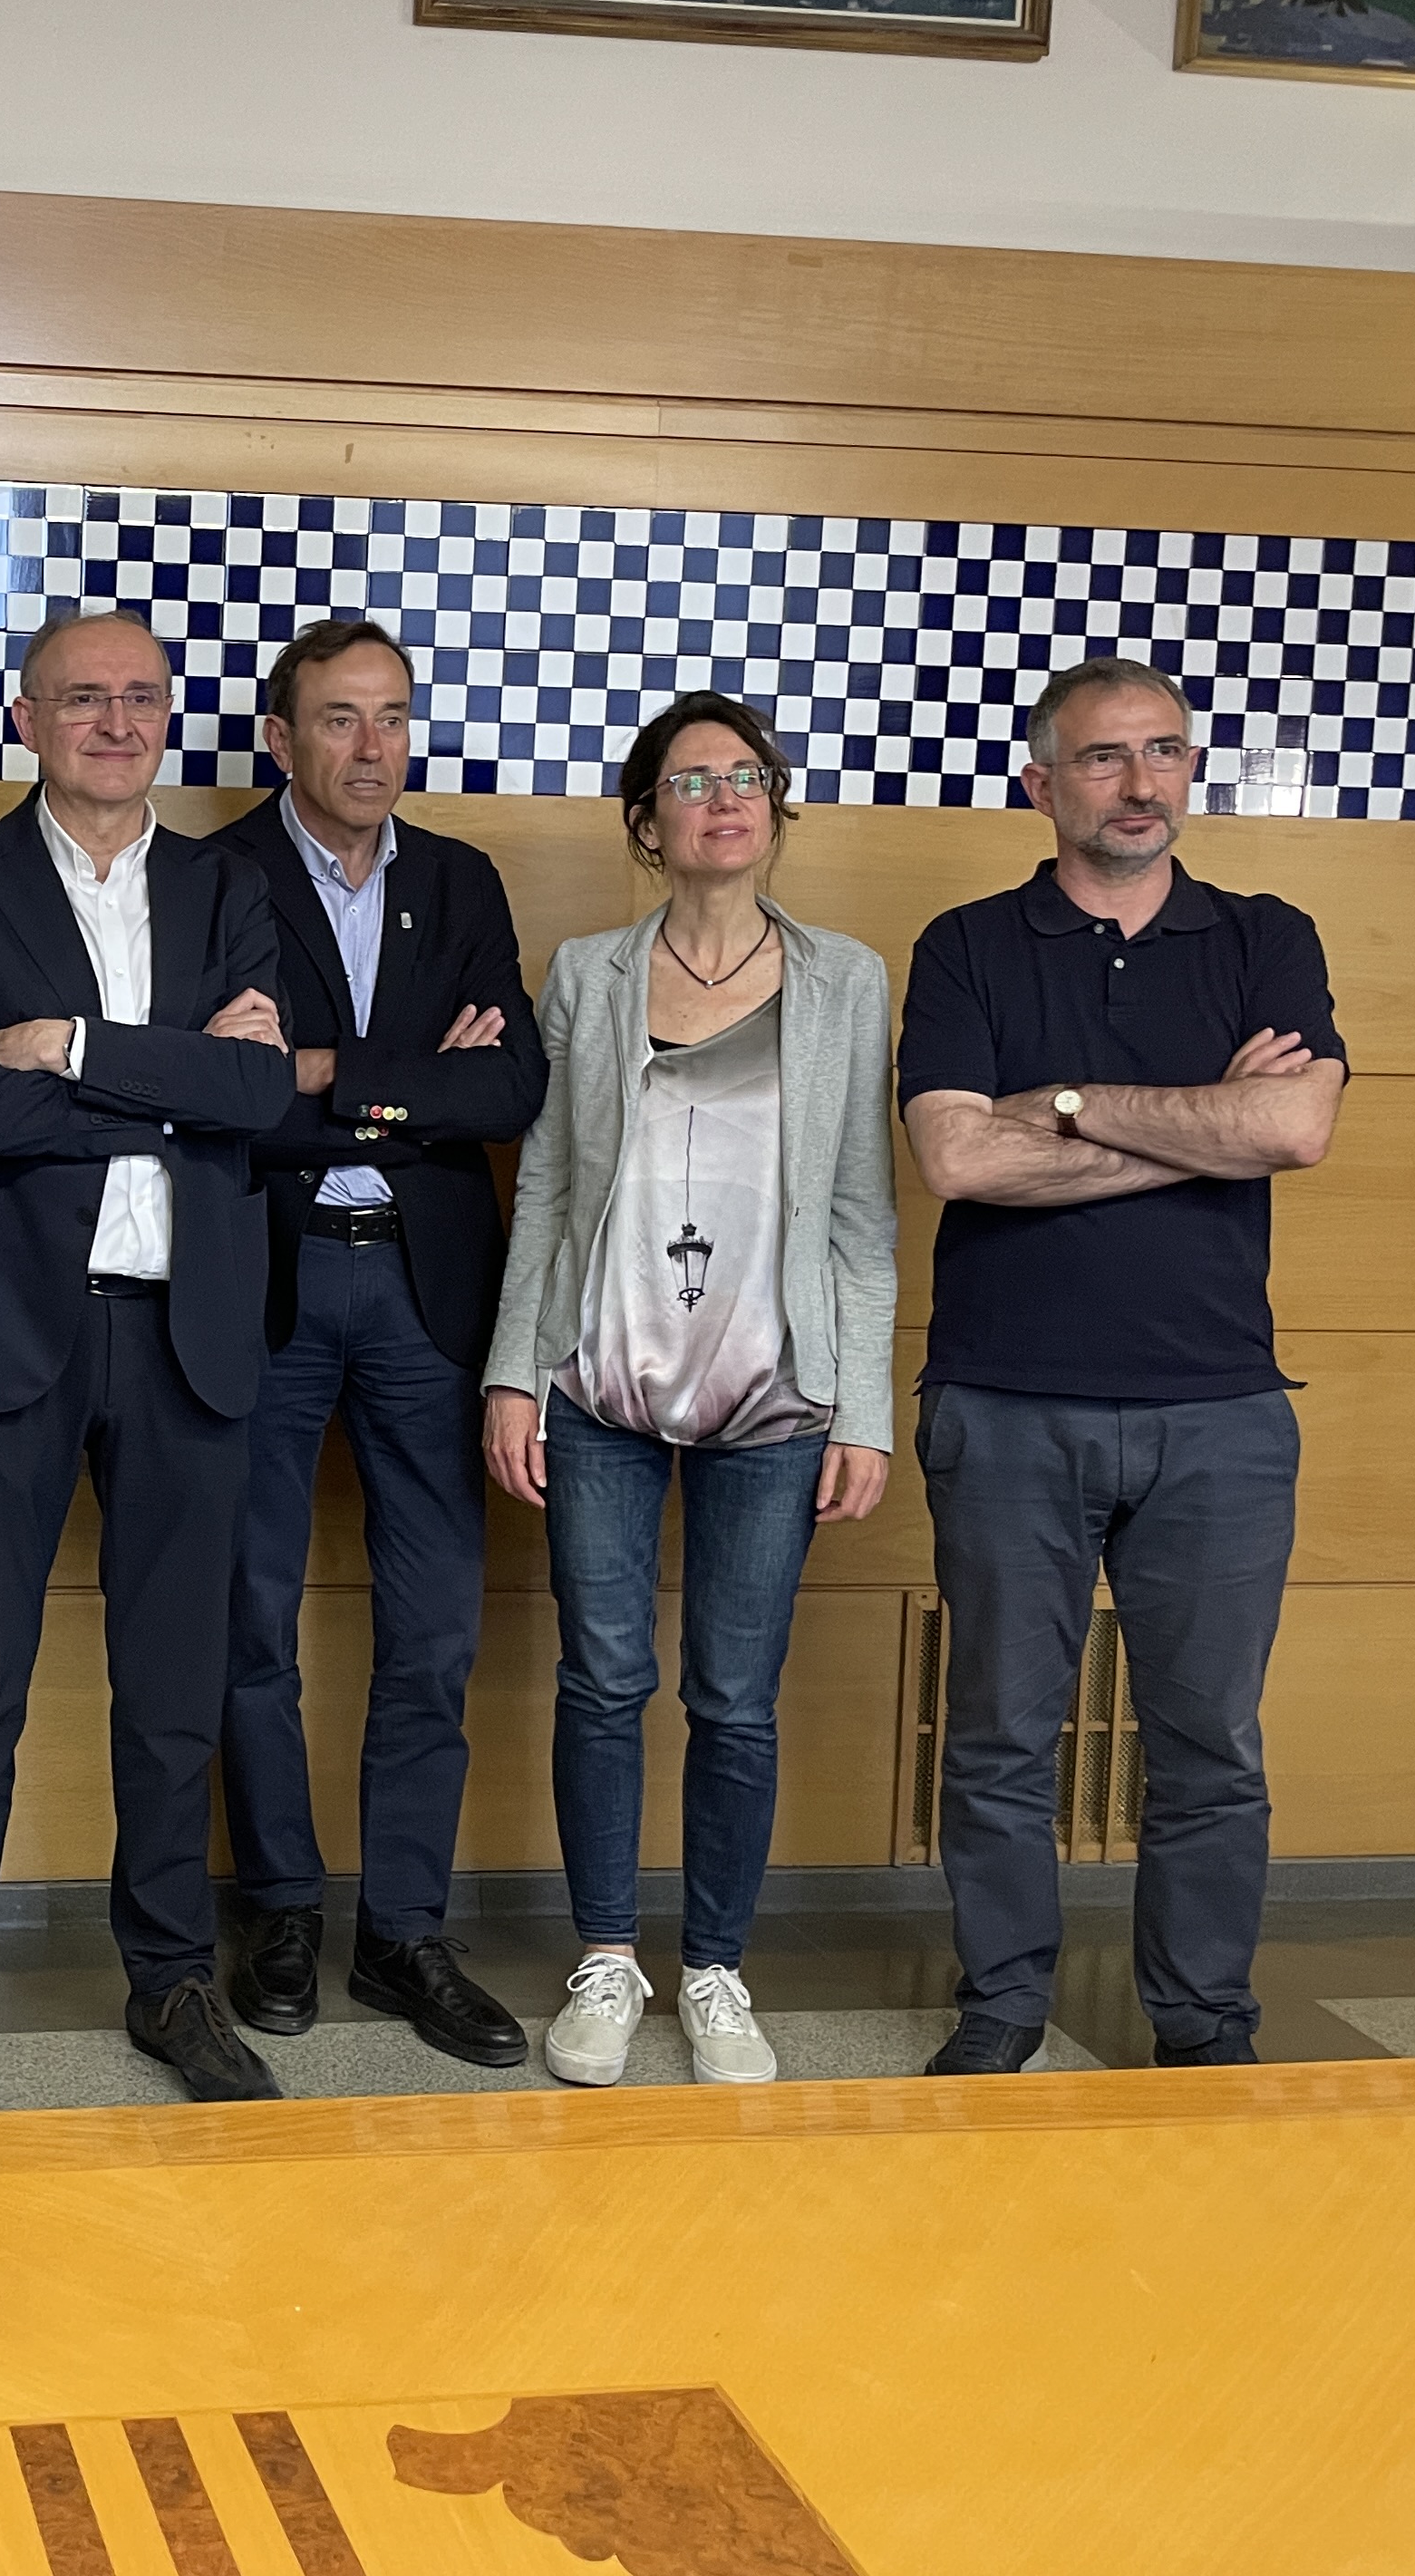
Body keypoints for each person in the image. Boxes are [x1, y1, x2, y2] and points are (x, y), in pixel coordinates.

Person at [0, 609, 297, 2114]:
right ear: (29, 718)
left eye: (140, 698)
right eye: (83, 698)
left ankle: (171, 1977)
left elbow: (263, 1099)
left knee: (173, 1691)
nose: (116, 723)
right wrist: (179, 1078)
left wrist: (72, 1045)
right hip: (7, 1334)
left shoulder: (230, 883)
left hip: (189, 1331)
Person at [897, 659, 1344, 2076]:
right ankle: (1003, 2007)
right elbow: (958, 1158)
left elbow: (1296, 1131)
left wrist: (1070, 1106)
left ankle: (1203, 2023)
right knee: (1000, 1737)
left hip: (1220, 1413)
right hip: (1004, 1403)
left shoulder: (1265, 936)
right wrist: (1207, 1125)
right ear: (1042, 782)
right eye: (1103, 758)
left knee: (1210, 1746)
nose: (1140, 783)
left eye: (1163, 751)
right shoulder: (968, 945)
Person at [482, 694, 897, 2091]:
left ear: (777, 811)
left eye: (747, 778)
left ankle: (717, 1968)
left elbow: (861, 1211)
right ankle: (607, 1957)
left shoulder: (847, 980)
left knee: (736, 1698)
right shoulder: (587, 973)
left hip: (774, 1396)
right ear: (646, 823)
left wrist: (864, 1408)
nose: (723, 799)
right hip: (597, 1380)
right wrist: (513, 1373)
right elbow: (548, 1184)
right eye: (691, 781)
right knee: (603, 1680)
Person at [205, 621, 548, 2068]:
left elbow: (511, 1089)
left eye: (393, 716)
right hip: (267, 1286)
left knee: (435, 1628)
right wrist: (411, 1089)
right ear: (280, 737)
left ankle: (405, 1930)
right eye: (339, 718)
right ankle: (280, 1909)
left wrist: (325, 1079)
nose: (371, 746)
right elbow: (219, 1100)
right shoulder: (212, 873)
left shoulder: (461, 880)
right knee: (249, 1618)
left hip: (425, 1295)